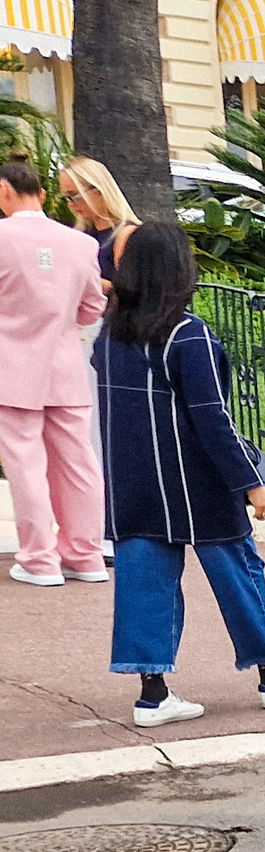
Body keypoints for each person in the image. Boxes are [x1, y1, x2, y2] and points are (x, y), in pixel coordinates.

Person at [94, 224, 265, 726]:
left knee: (143, 583)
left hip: (135, 483)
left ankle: (153, 694)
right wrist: (253, 482)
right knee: (238, 574)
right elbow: (212, 419)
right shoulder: (188, 334)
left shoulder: (110, 338)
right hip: (196, 482)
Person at [0, 160, 109, 587]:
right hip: (65, 367)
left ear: (5, 192)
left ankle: (40, 559)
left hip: (11, 367)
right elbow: (91, 308)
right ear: (42, 195)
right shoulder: (79, 244)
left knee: (26, 464)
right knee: (77, 462)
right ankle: (86, 555)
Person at [58, 156, 139, 277]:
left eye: (74, 196)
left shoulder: (128, 235)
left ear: (99, 191)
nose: (70, 204)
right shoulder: (81, 234)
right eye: (66, 198)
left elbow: (136, 289)